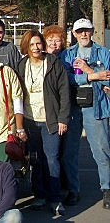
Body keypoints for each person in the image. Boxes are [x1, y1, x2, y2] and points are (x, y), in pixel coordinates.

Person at [15, 30, 70, 215]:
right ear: (26, 47)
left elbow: (64, 92)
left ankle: (55, 198)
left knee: (52, 159)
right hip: (30, 120)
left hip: (51, 120)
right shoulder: (21, 65)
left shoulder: (54, 64)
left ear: (43, 45)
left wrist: (63, 118)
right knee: (36, 160)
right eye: (31, 45)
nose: (35, 48)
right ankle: (40, 195)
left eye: (38, 43)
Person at [60, 18, 110, 209]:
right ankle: (74, 190)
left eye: (87, 31)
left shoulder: (104, 53)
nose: (83, 34)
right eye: (79, 31)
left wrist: (89, 69)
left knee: (102, 151)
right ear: (74, 33)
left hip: (96, 108)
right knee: (70, 153)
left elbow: (109, 81)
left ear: (92, 31)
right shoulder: (67, 55)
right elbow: (66, 79)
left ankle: (107, 189)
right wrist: (94, 76)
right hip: (73, 108)